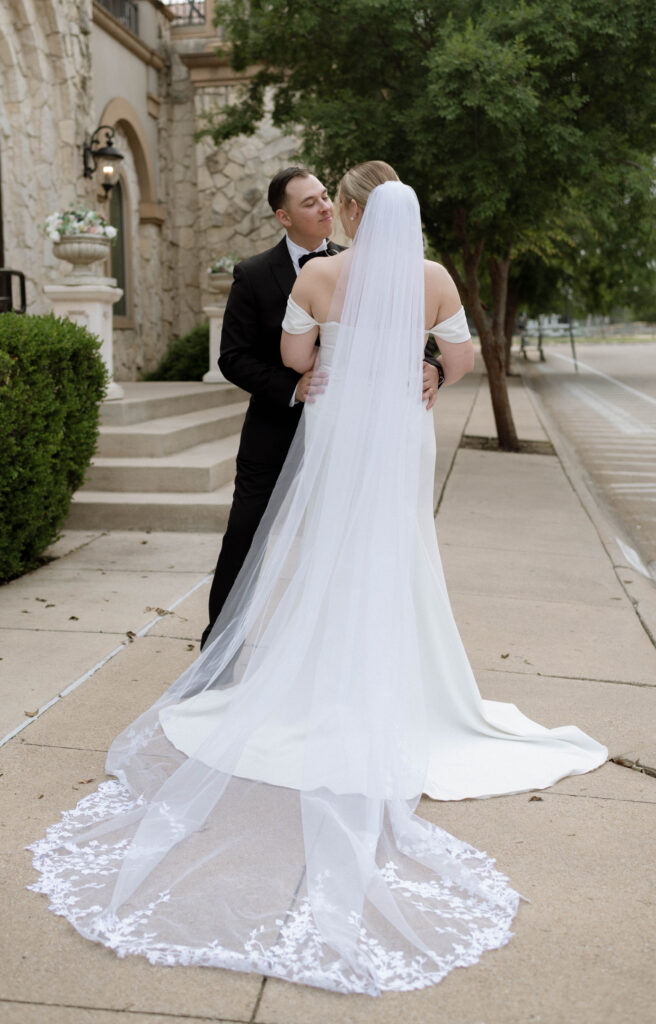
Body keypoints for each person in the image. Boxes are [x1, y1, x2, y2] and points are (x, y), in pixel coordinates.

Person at [29, 163, 607, 996]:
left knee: (330, 554)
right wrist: (433, 374)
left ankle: (316, 678)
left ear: (346, 210)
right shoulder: (436, 278)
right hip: (401, 433)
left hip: (337, 428)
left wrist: (322, 363)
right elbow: (460, 358)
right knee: (398, 550)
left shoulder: (328, 275)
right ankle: (403, 687)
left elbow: (296, 355)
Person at [202, 165, 443, 648]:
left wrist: (432, 366)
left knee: (348, 537)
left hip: (353, 430)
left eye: (325, 198)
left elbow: (408, 330)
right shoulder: (252, 275)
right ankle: (220, 644)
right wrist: (294, 388)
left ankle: (341, 647)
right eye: (309, 203)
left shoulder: (364, 262)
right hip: (277, 426)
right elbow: (232, 358)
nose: (325, 207)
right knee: (247, 533)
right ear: (283, 217)